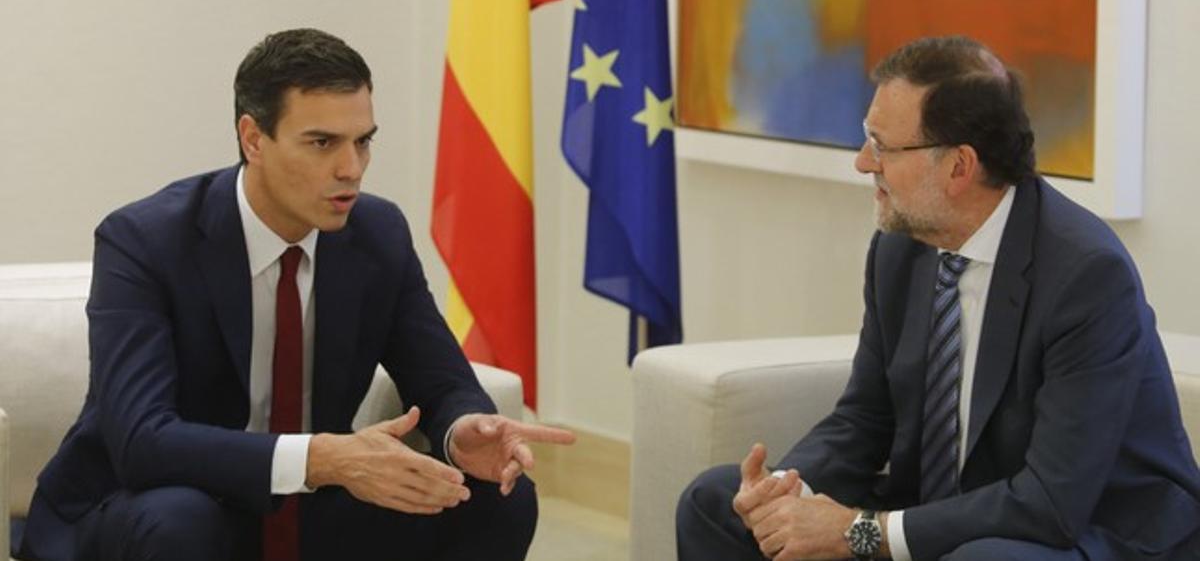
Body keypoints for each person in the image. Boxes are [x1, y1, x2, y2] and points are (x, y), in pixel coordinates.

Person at [19, 28, 575, 561]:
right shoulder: (146, 241)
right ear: (253, 138)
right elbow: (142, 441)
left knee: (497, 500)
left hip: (302, 507)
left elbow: (440, 379)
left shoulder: (376, 234)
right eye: (322, 143)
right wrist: (322, 458)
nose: (351, 169)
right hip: (151, 503)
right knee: (182, 520)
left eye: (363, 142)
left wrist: (461, 431)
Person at [676, 36, 1200, 560]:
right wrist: (788, 492)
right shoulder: (900, 248)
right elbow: (865, 419)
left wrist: (859, 532)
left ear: (958, 167)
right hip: (945, 512)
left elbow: (1050, 502)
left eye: (883, 147)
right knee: (714, 501)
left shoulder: (1086, 276)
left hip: (1088, 530)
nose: (863, 163)